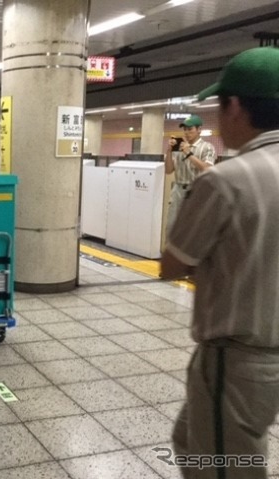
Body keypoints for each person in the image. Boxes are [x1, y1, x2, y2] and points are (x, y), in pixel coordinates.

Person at [160, 47, 279, 478]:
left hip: (237, 356)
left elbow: (171, 265)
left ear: (235, 106)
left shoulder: (228, 177)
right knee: (190, 441)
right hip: (268, 349)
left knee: (229, 468)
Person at [164, 114, 216, 237]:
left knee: (194, 228)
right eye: (185, 129)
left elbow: (207, 169)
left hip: (197, 191)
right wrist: (169, 151)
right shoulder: (179, 147)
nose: (187, 132)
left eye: (190, 129)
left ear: (199, 130)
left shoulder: (207, 147)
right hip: (178, 190)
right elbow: (169, 170)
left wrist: (188, 153)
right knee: (172, 226)